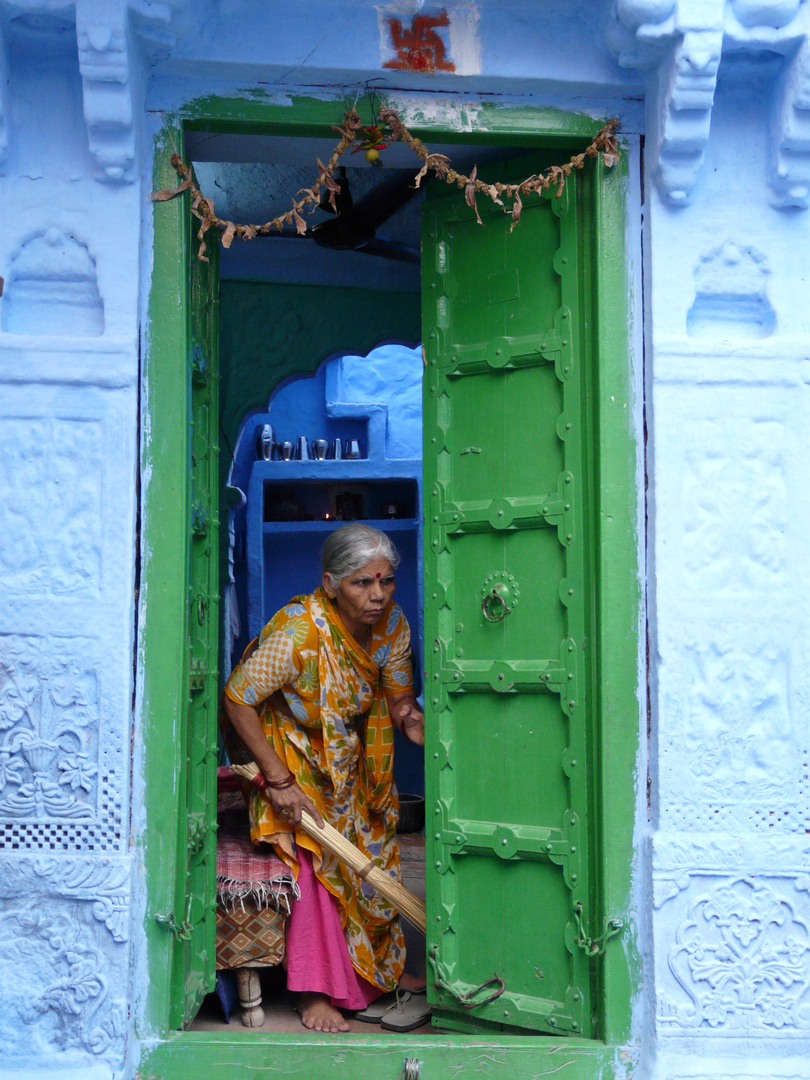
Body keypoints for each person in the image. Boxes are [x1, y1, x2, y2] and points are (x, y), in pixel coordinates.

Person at [222, 523, 425, 1033]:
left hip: (346, 757)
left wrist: (411, 720)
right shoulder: (299, 631)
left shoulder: (392, 626)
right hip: (284, 755)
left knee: (374, 844)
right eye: (362, 583)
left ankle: (373, 976)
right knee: (316, 852)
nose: (378, 595)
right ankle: (316, 991)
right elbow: (238, 698)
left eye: (386, 581)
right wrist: (278, 780)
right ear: (331, 583)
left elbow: (399, 697)